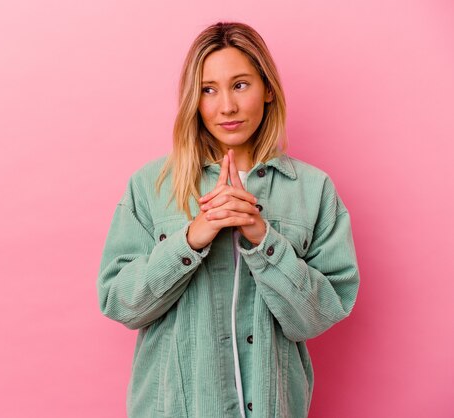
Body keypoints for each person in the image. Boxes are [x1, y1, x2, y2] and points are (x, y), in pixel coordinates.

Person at [97, 21, 359, 418]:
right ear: (193, 99)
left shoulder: (313, 189)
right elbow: (120, 303)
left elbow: (319, 316)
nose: (227, 107)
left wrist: (262, 237)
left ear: (267, 89)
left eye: (240, 85)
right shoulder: (152, 185)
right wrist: (192, 238)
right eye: (208, 89)